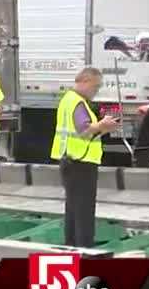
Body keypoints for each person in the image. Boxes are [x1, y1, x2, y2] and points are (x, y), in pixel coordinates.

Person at [51, 67, 119, 247]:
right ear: (85, 81)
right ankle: (85, 250)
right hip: (80, 162)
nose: (95, 92)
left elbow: (84, 135)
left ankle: (72, 246)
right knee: (84, 212)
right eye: (95, 87)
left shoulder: (68, 99)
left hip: (71, 161)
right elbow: (84, 130)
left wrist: (101, 129)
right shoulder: (77, 102)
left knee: (73, 210)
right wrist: (102, 125)